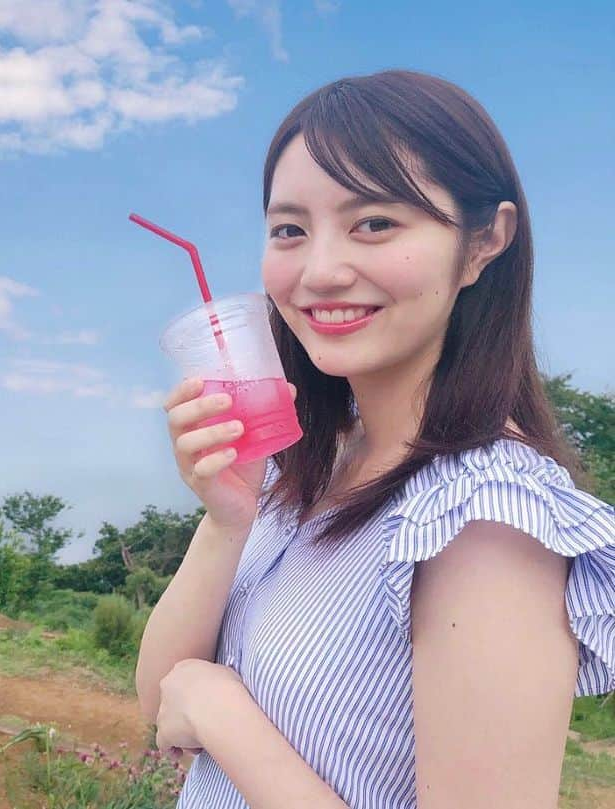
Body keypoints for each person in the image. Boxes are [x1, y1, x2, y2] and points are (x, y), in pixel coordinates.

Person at [136, 70, 615, 809]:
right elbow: (161, 696)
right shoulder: (319, 460)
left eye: (376, 223)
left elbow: (196, 703)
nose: (321, 271)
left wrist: (224, 713)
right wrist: (226, 519)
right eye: (290, 229)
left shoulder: (485, 517)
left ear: (486, 240)